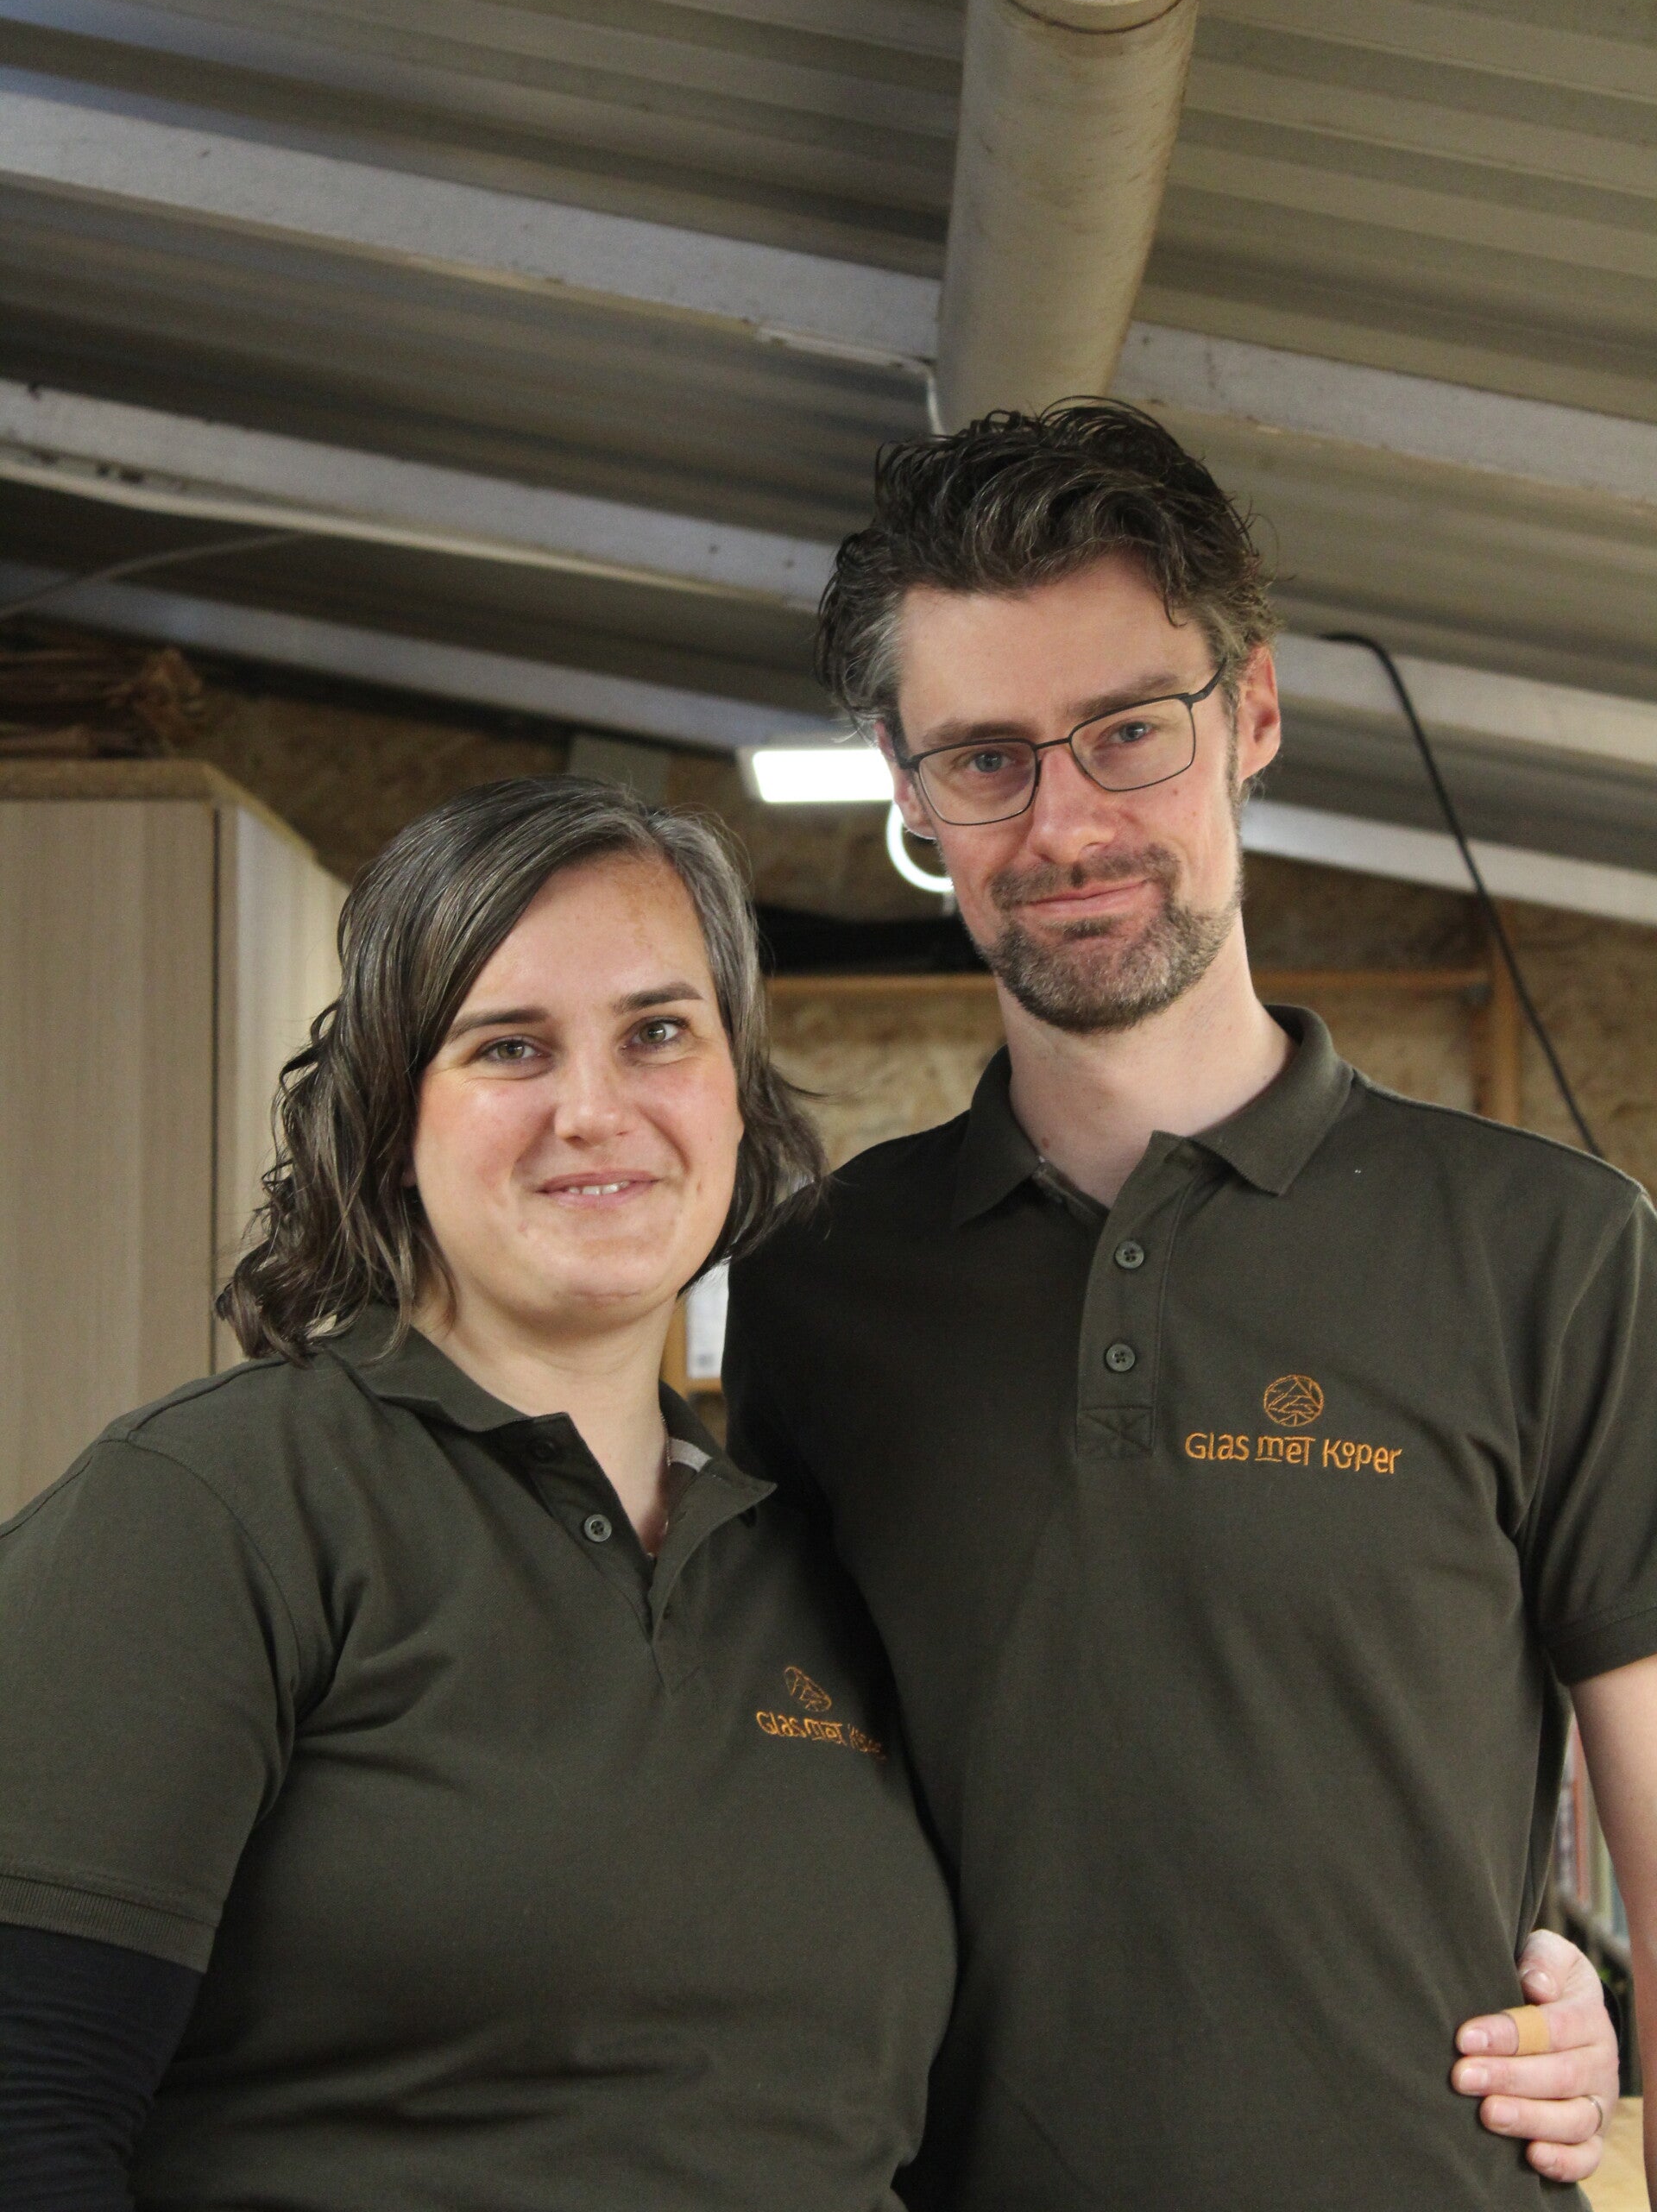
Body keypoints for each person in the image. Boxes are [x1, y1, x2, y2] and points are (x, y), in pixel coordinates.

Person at [723, 402, 1648, 2211]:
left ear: (1255, 716)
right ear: (909, 792)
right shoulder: (819, 1285)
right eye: (985, 758)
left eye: (1130, 730)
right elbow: (777, 1809)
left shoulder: (1553, 1250)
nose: (1066, 822)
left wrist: (1605, 2029)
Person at [0, 778, 957, 2210]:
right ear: (393, 1117)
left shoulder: (816, 1562)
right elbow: (25, 2109)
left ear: (737, 1090)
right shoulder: (213, 1507)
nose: (596, 1111)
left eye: (658, 1033)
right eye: (510, 1047)